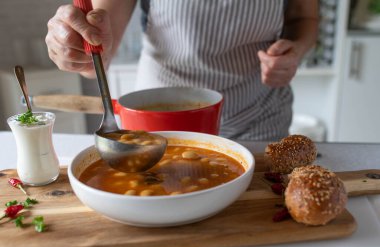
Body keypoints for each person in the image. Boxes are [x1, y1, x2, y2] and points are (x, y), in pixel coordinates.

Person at [45, 0, 319, 141]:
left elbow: (303, 16)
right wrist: (79, 49)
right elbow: (100, 47)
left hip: (258, 114)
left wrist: (295, 49)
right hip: (159, 118)